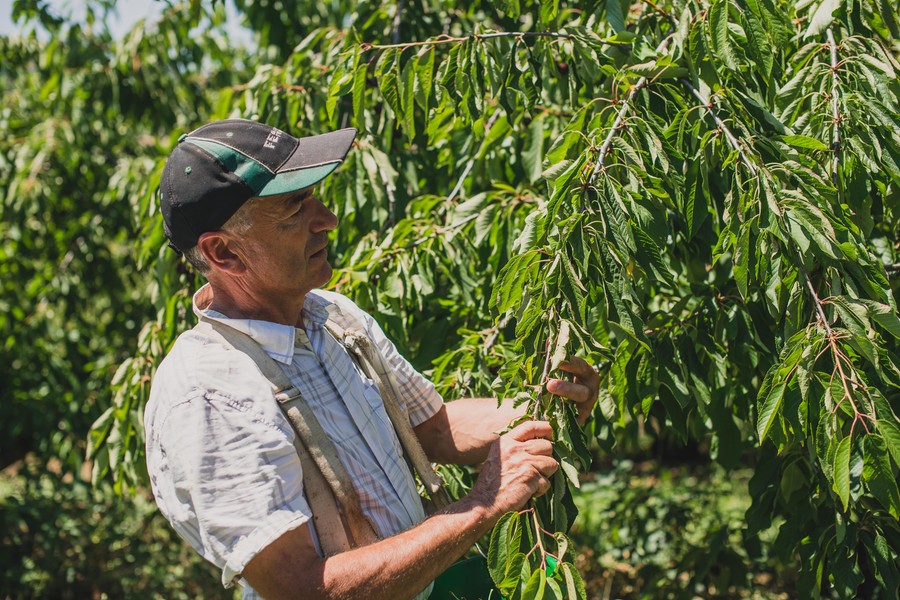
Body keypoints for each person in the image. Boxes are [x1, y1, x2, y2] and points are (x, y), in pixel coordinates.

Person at [144, 118, 599, 600]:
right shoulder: (210, 395)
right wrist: (484, 503)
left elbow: (434, 427)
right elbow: (303, 590)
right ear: (224, 252)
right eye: (295, 207)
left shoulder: (333, 317)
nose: (327, 219)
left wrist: (542, 407)